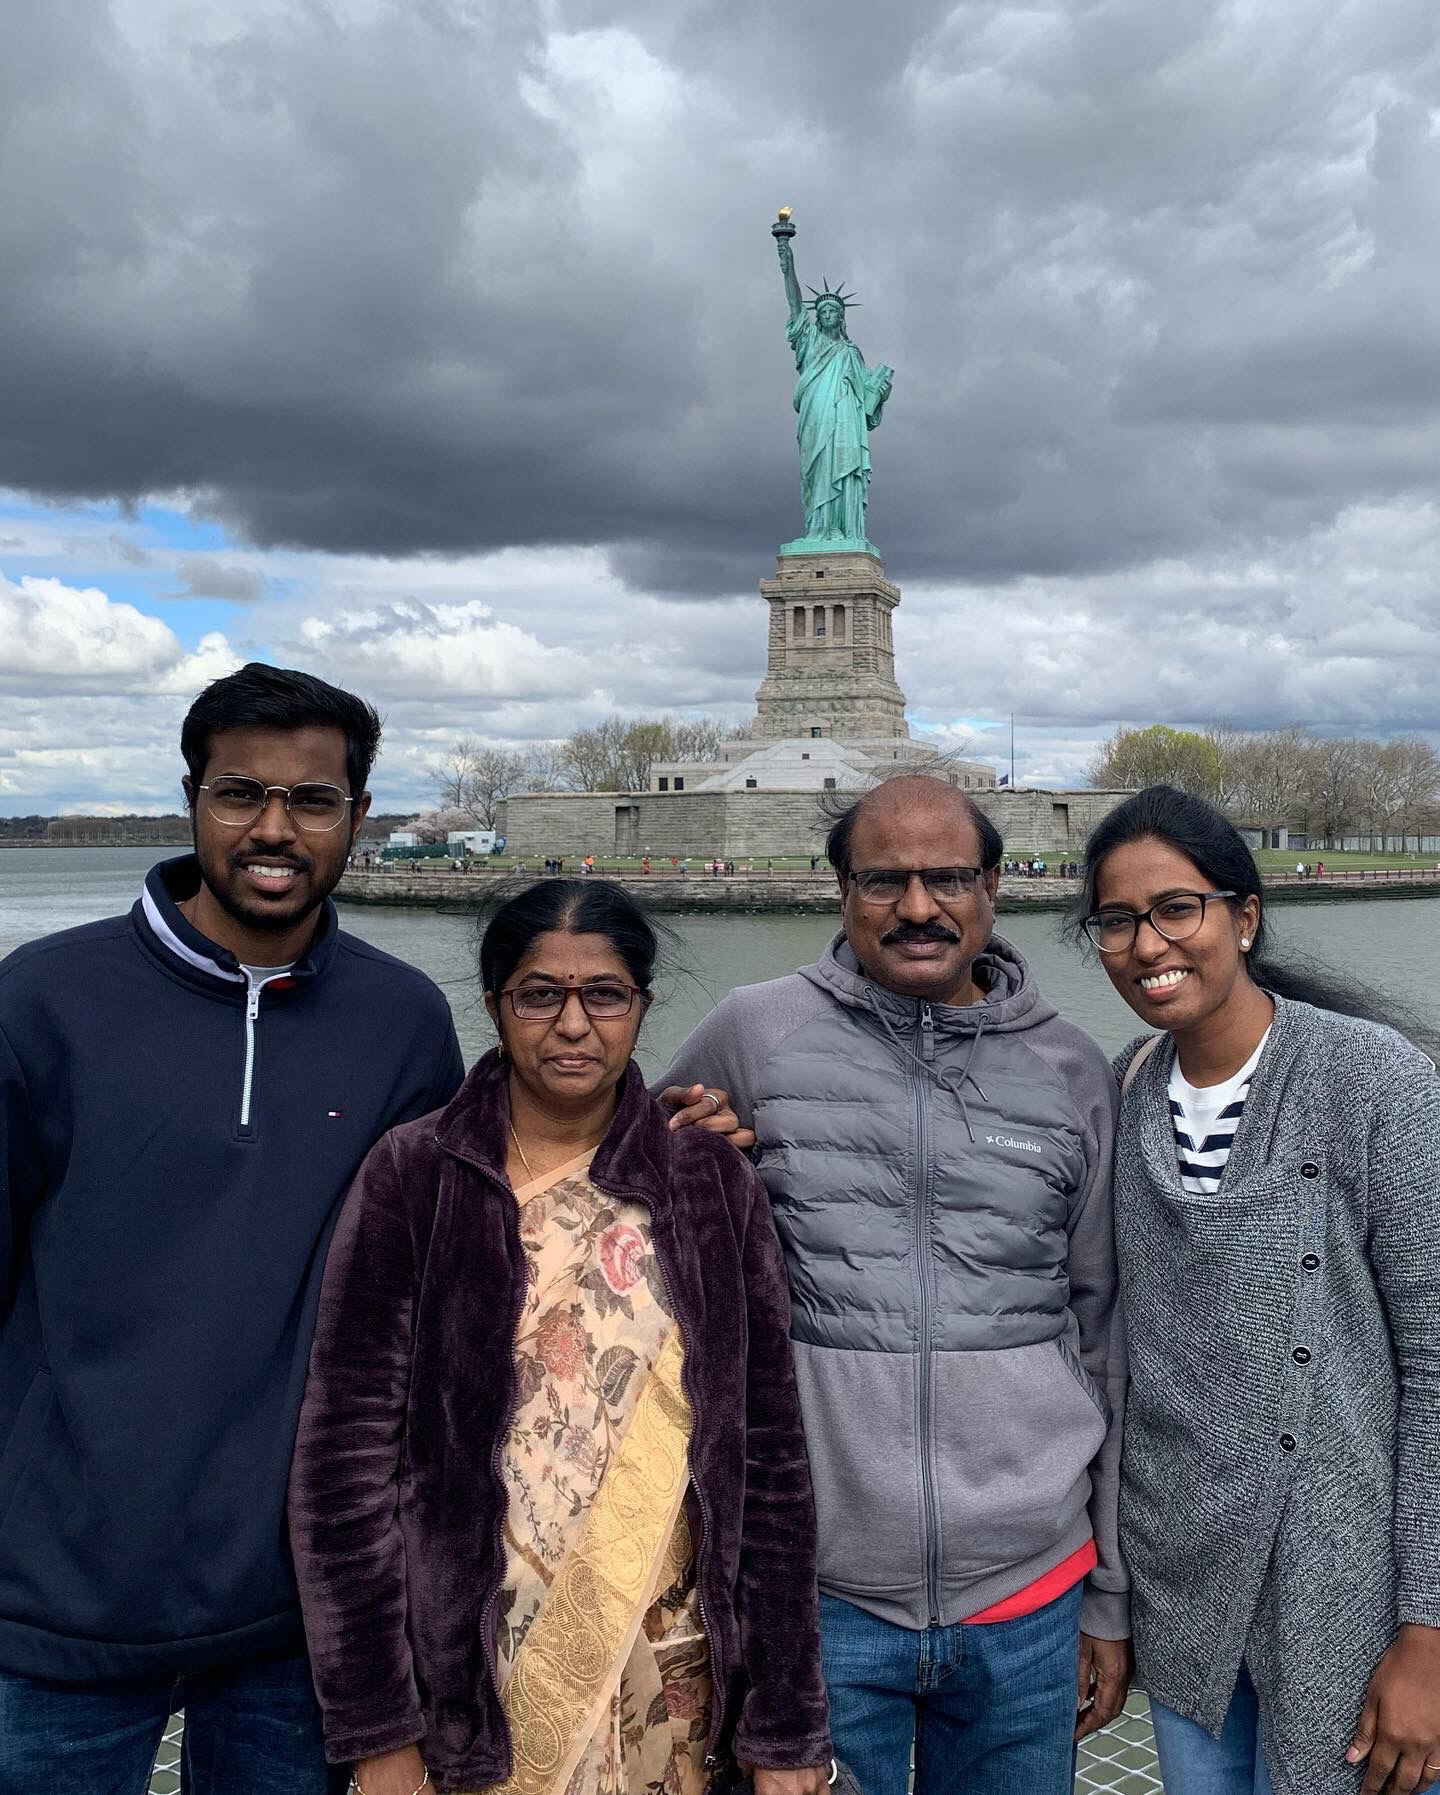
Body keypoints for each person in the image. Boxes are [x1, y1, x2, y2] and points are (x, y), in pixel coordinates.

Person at [0, 663, 464, 1793]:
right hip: (53, 1609)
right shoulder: (41, 1000)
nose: (274, 827)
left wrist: (685, 1139)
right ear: (192, 799)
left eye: (312, 800)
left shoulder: (403, 1021)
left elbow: (455, 1261)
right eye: (239, 792)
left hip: (298, 1616)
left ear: (357, 816)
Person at [290, 879, 833, 1795]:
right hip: (468, 1684)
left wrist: (784, 1725)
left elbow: (769, 1460)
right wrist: (378, 1730)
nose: (573, 1024)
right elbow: (344, 1464)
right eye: (540, 994)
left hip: (673, 1672)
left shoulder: (706, 1180)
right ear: (497, 1003)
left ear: (642, 1007)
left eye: (605, 994)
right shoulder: (418, 1173)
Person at [661, 774, 1130, 1795]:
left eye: (947, 877)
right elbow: (623, 1201)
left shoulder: (1072, 1070)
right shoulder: (751, 1033)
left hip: (1032, 1596)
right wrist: (685, 1165)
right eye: (885, 880)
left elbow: (1105, 1334)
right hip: (812, 1597)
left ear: (993, 886)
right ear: (841, 890)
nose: (918, 907)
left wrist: (1110, 1598)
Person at [1070, 785, 1440, 1795]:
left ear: (1244, 914)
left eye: (1177, 907)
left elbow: (1433, 1363)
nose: (1149, 944)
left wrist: (1429, 1629)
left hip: (1351, 1592)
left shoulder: (1372, 1079)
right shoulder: (1123, 1087)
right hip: (1184, 1597)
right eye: (1116, 919)